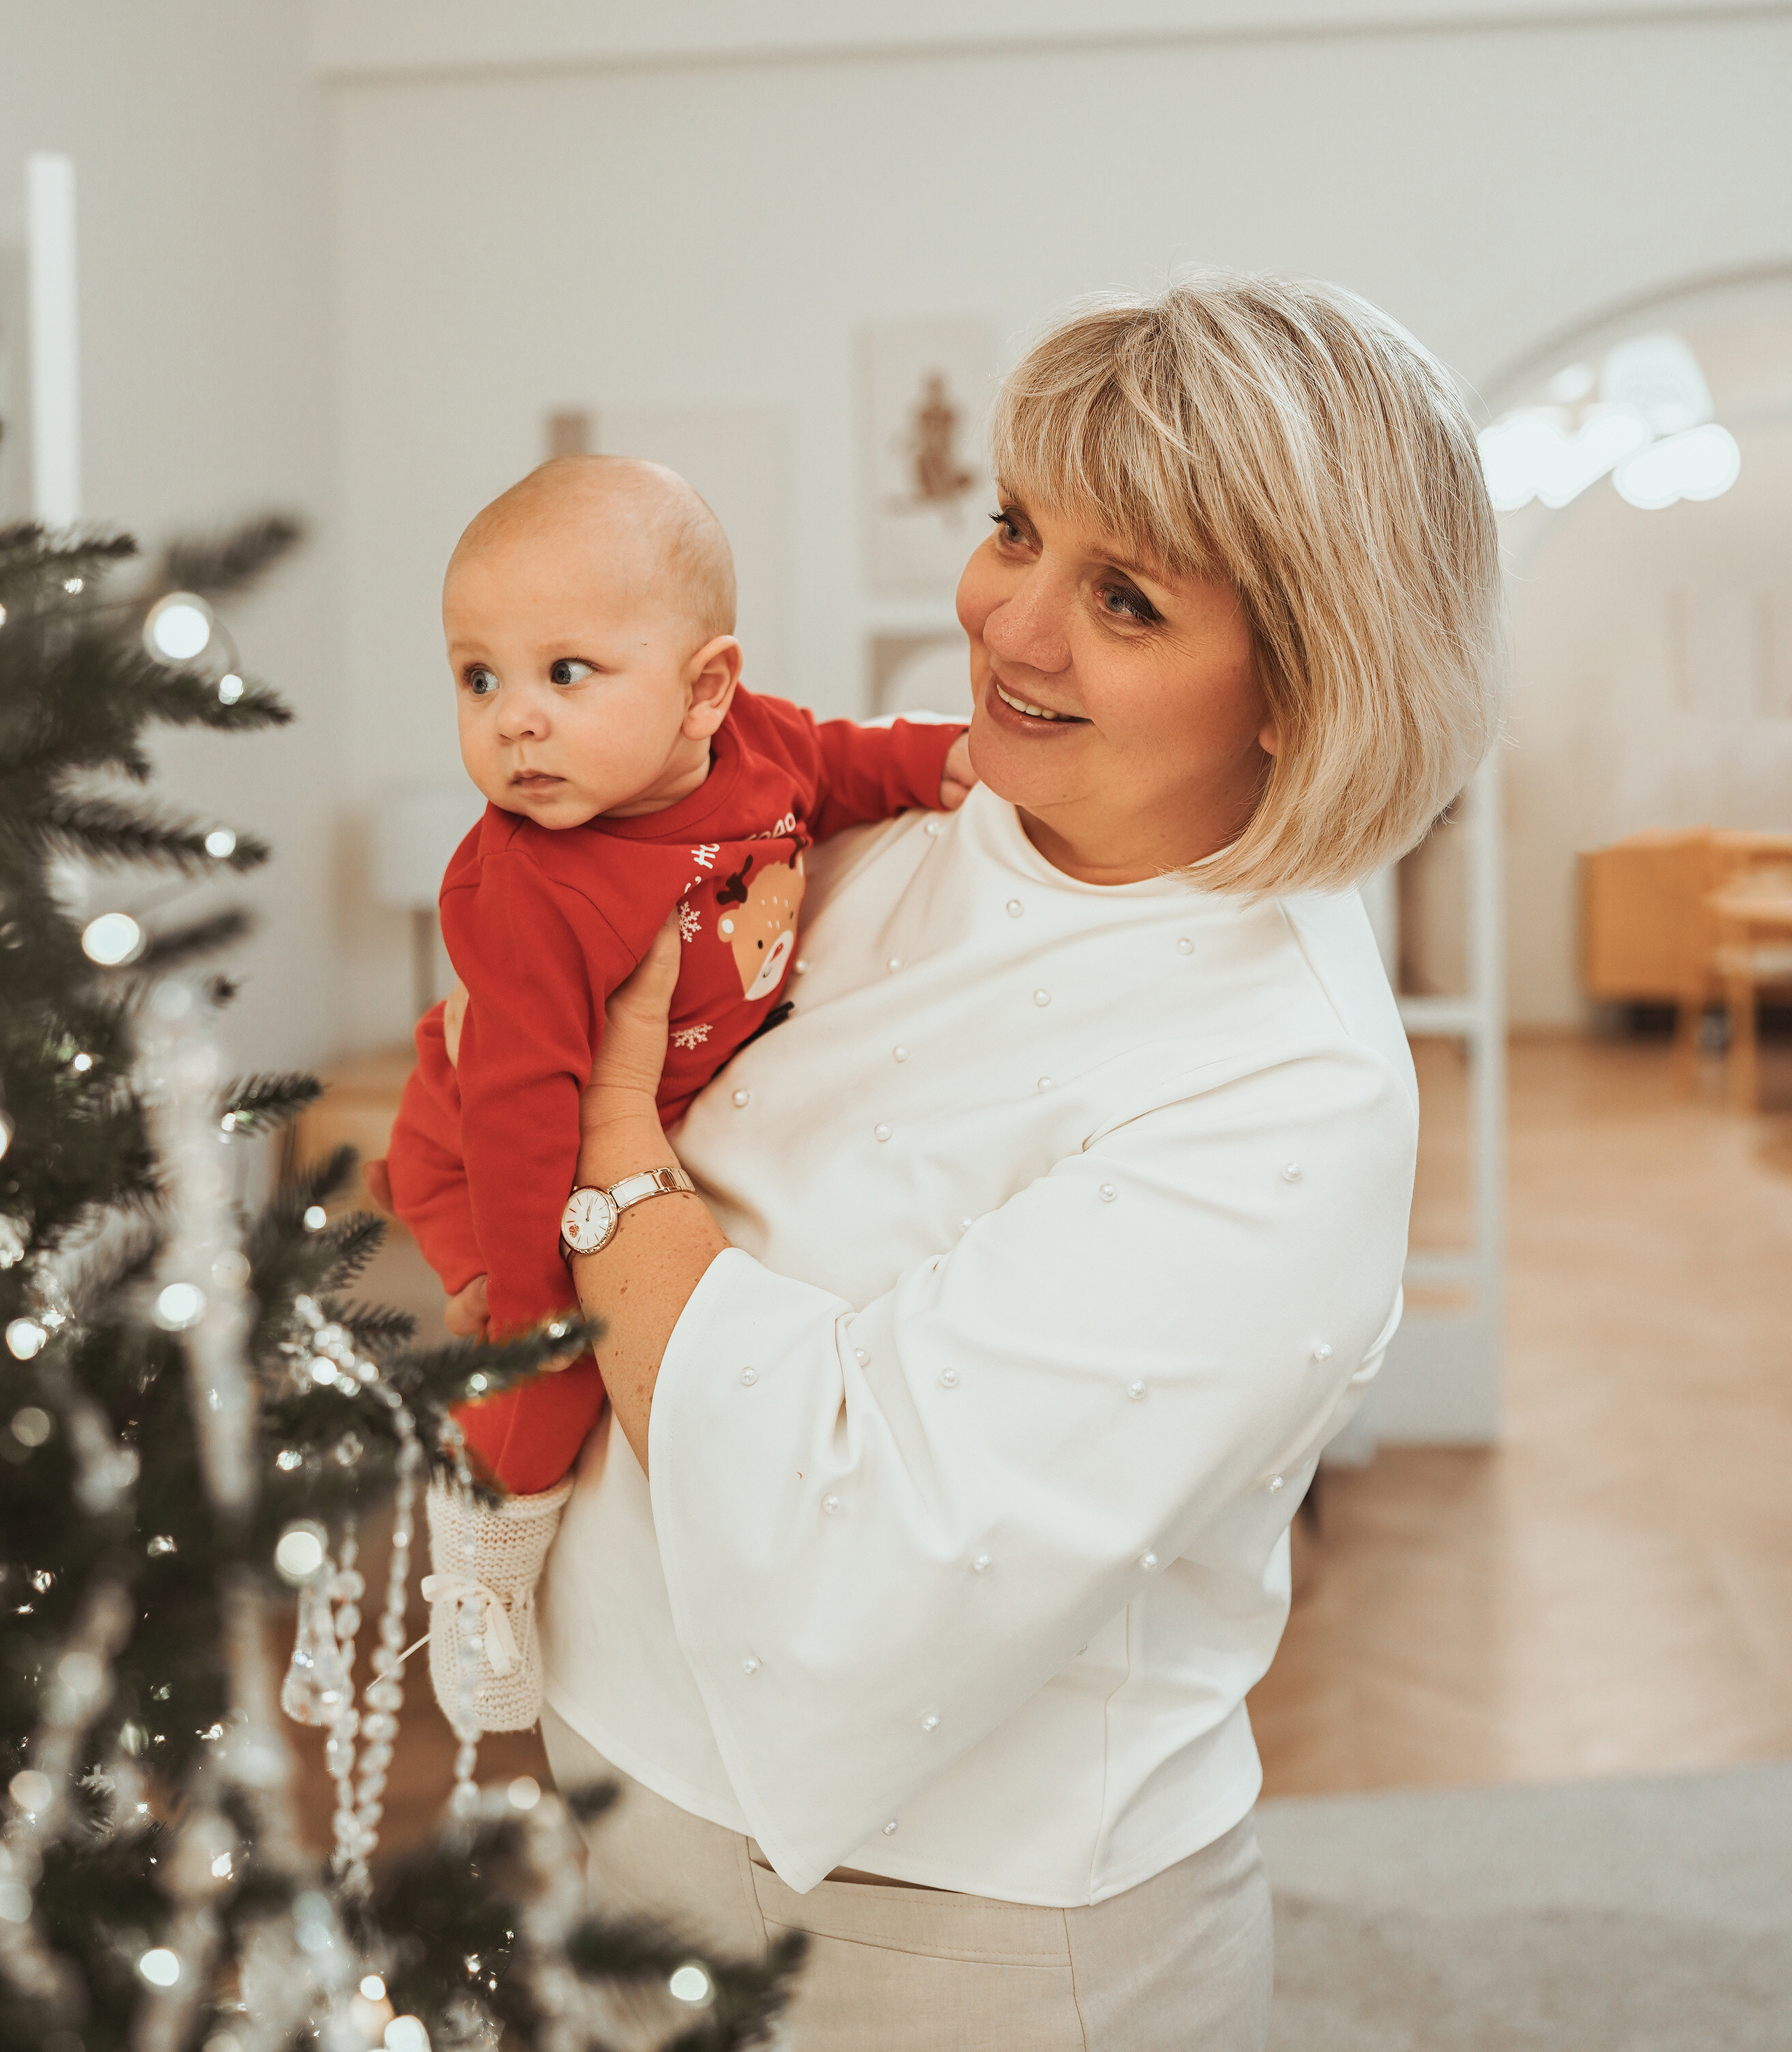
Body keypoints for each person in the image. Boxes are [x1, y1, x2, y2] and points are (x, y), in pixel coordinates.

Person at [452, 278, 1504, 2046]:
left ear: (1302, 680)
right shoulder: (909, 837)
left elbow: (852, 1550)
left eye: (1124, 597)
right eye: (1015, 527)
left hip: (952, 1937)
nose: (1006, 622)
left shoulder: (1284, 1084)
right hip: (626, 1793)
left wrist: (611, 1144)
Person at [372, 456, 971, 1502]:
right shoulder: (532, 886)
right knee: (545, 1389)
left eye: (565, 672)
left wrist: (934, 760)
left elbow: (839, 765)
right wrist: (528, 1309)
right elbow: (518, 1120)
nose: (513, 718)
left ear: (704, 692)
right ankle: (486, 1543)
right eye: (479, 678)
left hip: (663, 1106)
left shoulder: (759, 747)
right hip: (482, 1141)